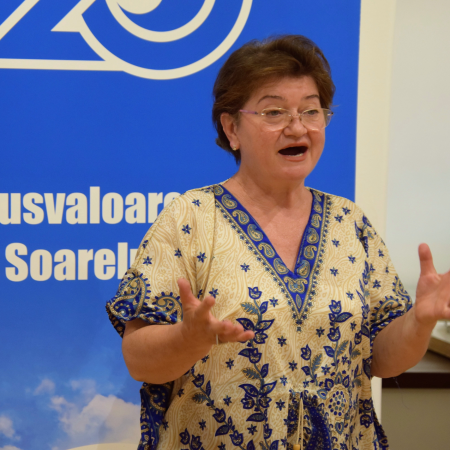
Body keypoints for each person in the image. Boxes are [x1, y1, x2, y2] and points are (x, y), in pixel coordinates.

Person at [106, 35, 450, 450]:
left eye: (311, 110)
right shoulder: (189, 217)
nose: (297, 127)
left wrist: (419, 322)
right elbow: (138, 360)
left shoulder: (350, 222)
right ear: (231, 128)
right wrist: (188, 339)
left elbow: (380, 358)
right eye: (274, 112)